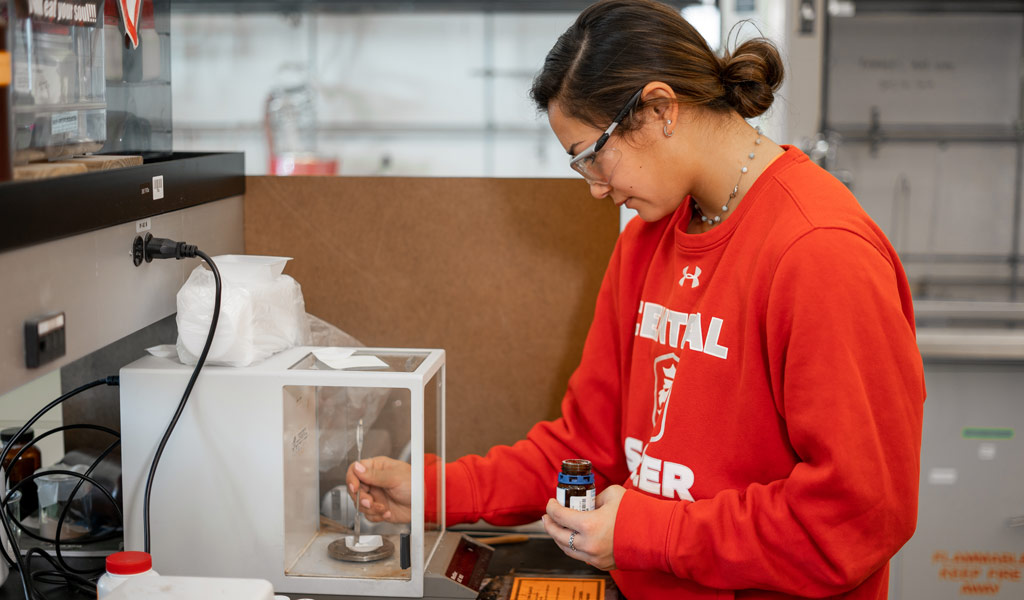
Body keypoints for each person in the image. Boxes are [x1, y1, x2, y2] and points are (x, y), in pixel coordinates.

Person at [347, 1, 926, 598]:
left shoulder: (820, 252)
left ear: (658, 109)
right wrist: (437, 491)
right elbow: (586, 450)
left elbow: (856, 517)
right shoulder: (648, 240)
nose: (596, 188)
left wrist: (651, 533)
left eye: (592, 155)